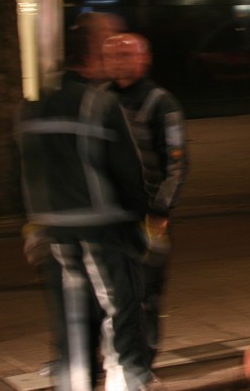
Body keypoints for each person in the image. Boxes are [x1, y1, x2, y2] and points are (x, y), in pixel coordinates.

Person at [17, 24, 151, 391]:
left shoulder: (31, 107)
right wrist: (140, 224)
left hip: (53, 229)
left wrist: (32, 225)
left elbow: (18, 169)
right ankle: (124, 384)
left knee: (72, 319)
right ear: (91, 57)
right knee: (117, 313)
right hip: (102, 227)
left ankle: (75, 383)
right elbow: (127, 171)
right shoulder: (98, 104)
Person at [103, 33, 189, 367]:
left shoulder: (160, 103)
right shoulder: (100, 99)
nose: (118, 62)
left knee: (147, 292)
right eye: (112, 55)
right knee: (111, 293)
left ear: (144, 59)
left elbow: (176, 163)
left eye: (126, 55)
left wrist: (160, 209)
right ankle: (119, 359)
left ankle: (143, 361)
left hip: (147, 217)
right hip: (109, 215)